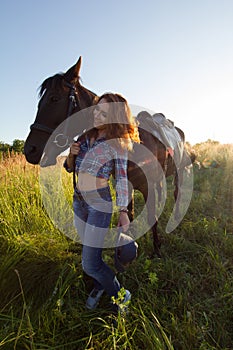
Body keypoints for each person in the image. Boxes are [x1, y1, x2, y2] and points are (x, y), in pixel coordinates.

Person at [63, 93, 140, 312]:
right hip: (79, 202)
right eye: (97, 109)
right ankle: (99, 285)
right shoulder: (84, 136)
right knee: (90, 254)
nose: (97, 114)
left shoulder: (117, 144)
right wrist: (71, 154)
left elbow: (122, 177)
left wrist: (123, 210)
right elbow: (70, 167)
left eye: (104, 112)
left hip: (99, 204)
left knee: (89, 263)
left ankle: (120, 295)